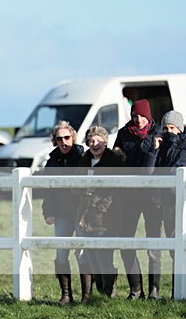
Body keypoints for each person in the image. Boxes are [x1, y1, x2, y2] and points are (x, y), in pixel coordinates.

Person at [112, 99, 160, 299]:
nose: (138, 119)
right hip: (128, 196)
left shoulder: (158, 133)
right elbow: (115, 163)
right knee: (126, 241)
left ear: (148, 116)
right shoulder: (123, 134)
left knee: (154, 244)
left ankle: (154, 290)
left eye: (142, 115)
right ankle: (135, 289)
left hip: (152, 197)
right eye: (135, 115)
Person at [150, 110, 186, 297]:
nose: (169, 131)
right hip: (168, 202)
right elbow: (149, 173)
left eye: (172, 127)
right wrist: (154, 150)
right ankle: (180, 287)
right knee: (173, 246)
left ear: (179, 128)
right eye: (166, 127)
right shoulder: (159, 147)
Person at [76, 126, 125, 300]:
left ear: (106, 142)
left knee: (103, 255)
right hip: (85, 214)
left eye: (98, 140)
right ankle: (99, 292)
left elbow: (116, 189)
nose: (94, 144)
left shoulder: (114, 160)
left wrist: (103, 206)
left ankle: (107, 292)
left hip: (105, 216)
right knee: (90, 255)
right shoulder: (84, 160)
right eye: (91, 141)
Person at [41, 121, 85, 304]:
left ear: (73, 138)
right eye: (59, 139)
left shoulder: (83, 156)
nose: (64, 142)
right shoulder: (51, 161)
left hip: (82, 213)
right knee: (61, 254)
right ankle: (66, 294)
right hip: (62, 214)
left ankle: (86, 295)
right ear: (55, 141)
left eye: (67, 138)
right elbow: (47, 190)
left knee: (82, 253)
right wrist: (48, 212)